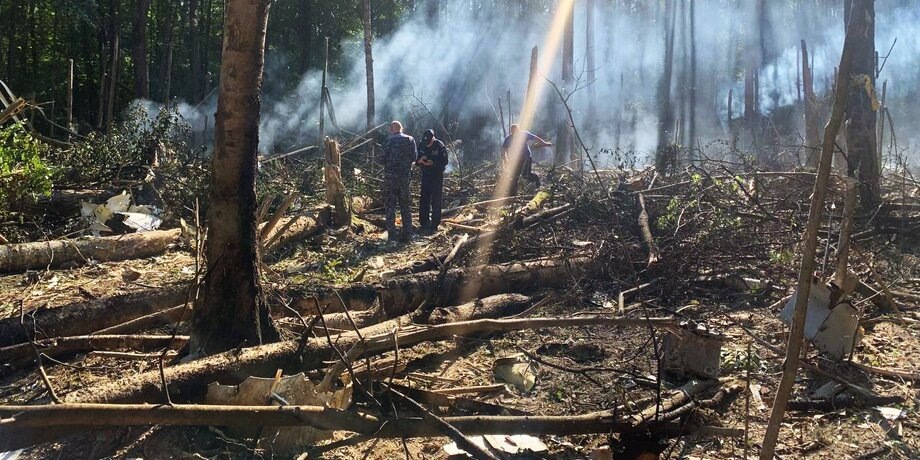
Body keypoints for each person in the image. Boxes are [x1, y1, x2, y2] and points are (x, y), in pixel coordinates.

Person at [381, 120, 417, 243]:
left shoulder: (389, 141)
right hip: (404, 179)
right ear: (401, 128)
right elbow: (414, 157)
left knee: (390, 207)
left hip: (391, 179)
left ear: (392, 129)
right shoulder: (410, 140)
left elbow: (381, 159)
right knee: (405, 207)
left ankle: (392, 236)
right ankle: (408, 235)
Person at [415, 129, 449, 234]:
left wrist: (433, 163)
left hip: (436, 176)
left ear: (433, 138)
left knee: (436, 200)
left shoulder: (439, 146)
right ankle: (424, 222)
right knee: (424, 198)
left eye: (429, 142)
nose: (427, 144)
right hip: (425, 175)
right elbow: (416, 160)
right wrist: (420, 161)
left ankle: (435, 224)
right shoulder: (421, 145)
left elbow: (445, 161)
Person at [501, 124, 552, 188]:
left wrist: (544, 143)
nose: (515, 132)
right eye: (513, 131)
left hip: (526, 157)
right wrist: (505, 159)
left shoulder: (524, 134)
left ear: (518, 130)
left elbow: (536, 138)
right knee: (515, 176)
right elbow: (503, 150)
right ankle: (513, 192)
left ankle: (537, 183)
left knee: (526, 175)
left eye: (516, 131)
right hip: (516, 159)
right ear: (511, 131)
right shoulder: (509, 138)